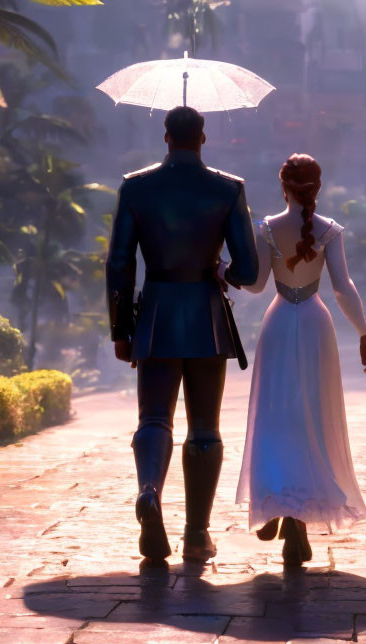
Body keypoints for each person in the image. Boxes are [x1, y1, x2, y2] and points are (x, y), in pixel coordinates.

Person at [106, 106, 258, 564]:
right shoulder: (228, 189)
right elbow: (248, 270)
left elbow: (118, 265)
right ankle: (197, 534)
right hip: (206, 316)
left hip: (155, 315)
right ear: (204, 138)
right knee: (205, 429)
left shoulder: (135, 187)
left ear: (166, 136)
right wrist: (220, 270)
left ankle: (149, 493)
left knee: (154, 420)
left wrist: (121, 328)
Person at [235, 153, 366, 566]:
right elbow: (342, 287)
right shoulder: (329, 230)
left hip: (279, 322)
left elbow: (257, 285)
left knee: (276, 417)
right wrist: (365, 333)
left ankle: (275, 505)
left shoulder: (267, 229)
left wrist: (225, 269)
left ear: (283, 186)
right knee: (310, 417)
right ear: (317, 188)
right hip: (317, 325)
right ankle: (294, 519)